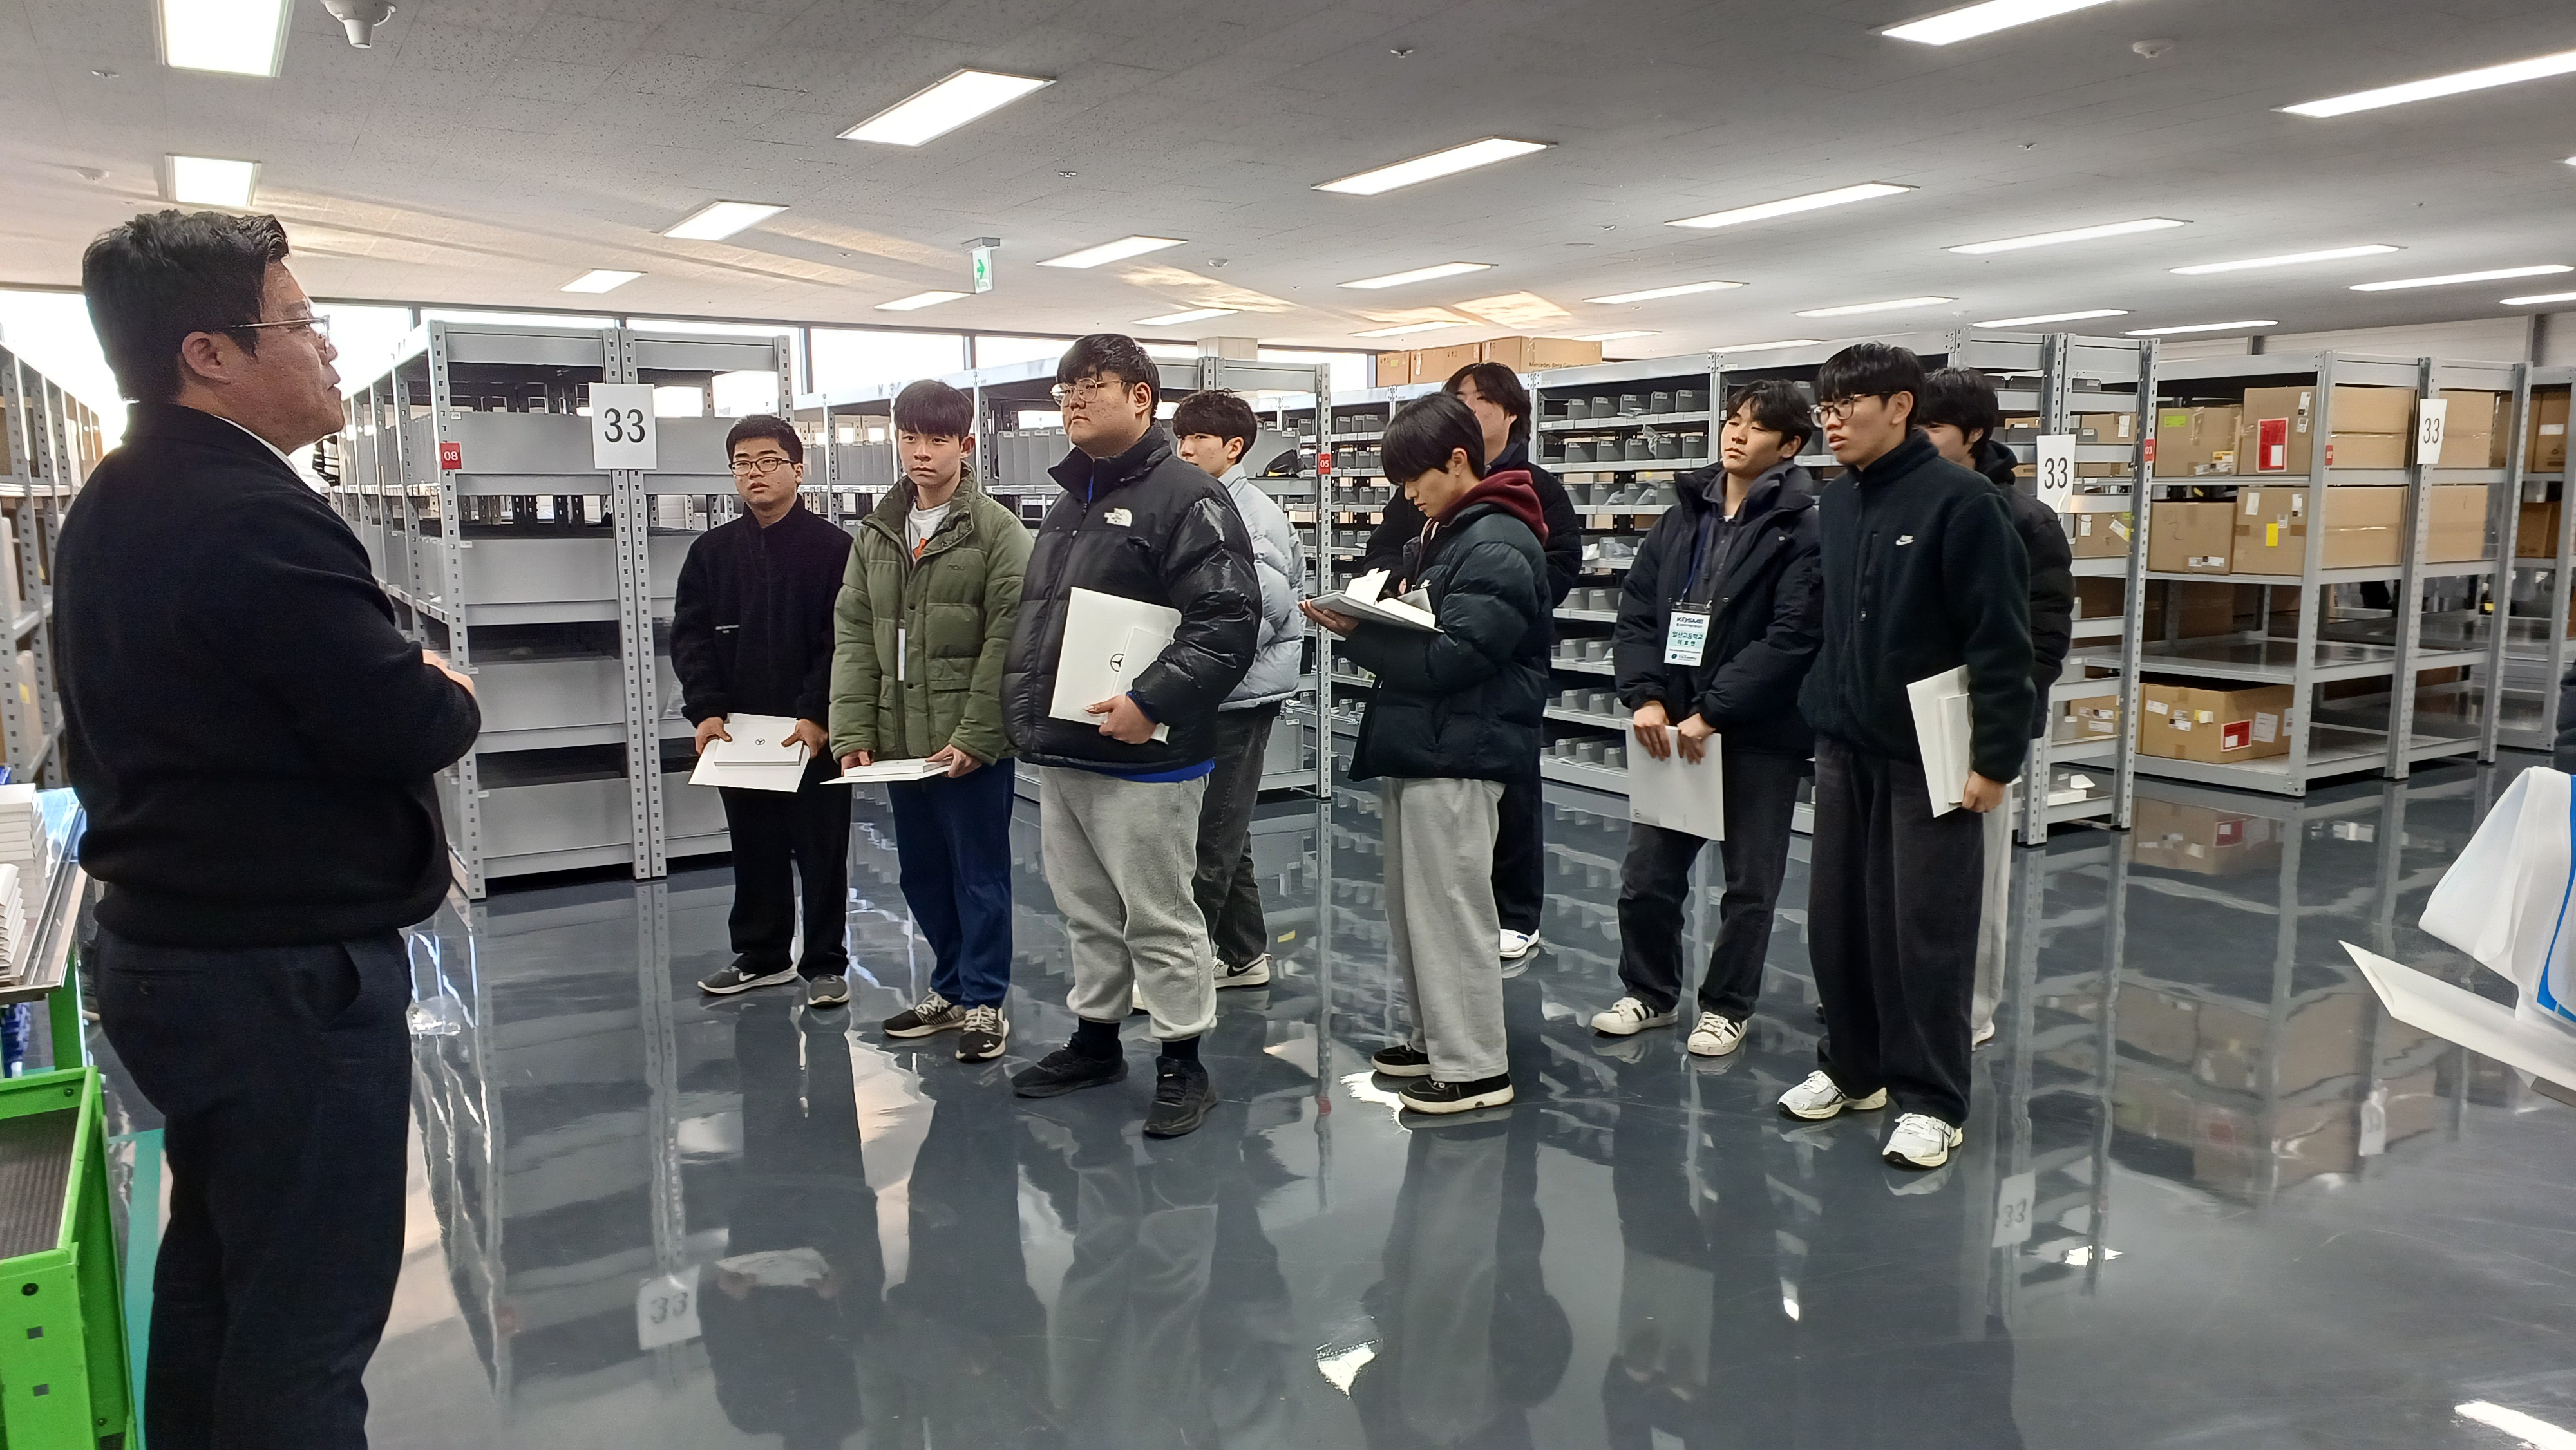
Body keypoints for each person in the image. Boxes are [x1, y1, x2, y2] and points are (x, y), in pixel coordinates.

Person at [62, 209, 482, 1448]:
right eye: (299, 323)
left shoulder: (124, 494)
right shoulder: (246, 511)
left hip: (181, 957)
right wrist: (442, 681)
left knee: (219, 1281)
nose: (327, 348)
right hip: (281, 981)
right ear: (210, 353)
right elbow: (405, 717)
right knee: (307, 1330)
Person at [1000, 334, 1259, 1138]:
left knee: (1159, 914)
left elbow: (1227, 621)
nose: (1073, 400)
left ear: (1142, 397)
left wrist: (1150, 700)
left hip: (1147, 756)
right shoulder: (1070, 500)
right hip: (1067, 744)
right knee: (1086, 910)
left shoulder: (1188, 496)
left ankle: (1184, 1059)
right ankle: (1096, 1040)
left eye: (1092, 385)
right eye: (1065, 388)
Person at [1783, 342, 2032, 1171]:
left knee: (1925, 930)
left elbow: (2001, 641)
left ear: (1899, 407)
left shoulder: (1964, 504)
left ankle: (1932, 1099)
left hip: (1930, 753)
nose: (1831, 422)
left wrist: (1994, 759)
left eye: (1845, 406)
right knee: (1839, 923)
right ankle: (1852, 1069)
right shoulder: (1837, 502)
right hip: (1844, 745)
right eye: (1823, 408)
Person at [1305, 393, 1548, 1114]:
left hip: (1463, 749)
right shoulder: (1451, 532)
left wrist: (1361, 634)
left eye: (1416, 478)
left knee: (1451, 910)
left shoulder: (1498, 541)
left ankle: (1475, 1067)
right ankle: (1435, 1038)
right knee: (1416, 908)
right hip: (1427, 741)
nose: (1408, 494)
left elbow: (1456, 656)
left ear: (1458, 460)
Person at [1589, 381, 1822, 1057]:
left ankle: (1726, 1006)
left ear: (1790, 444)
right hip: (1672, 724)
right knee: (1647, 877)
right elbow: (1637, 612)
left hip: (1757, 735)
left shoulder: (1804, 527)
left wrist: (1715, 711)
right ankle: (1649, 992)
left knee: (1748, 885)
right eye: (1733, 420)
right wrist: (1646, 696)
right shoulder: (1681, 516)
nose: (1737, 434)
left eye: (1757, 426)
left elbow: (1793, 636)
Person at [831, 379, 1031, 1060]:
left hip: (967, 745)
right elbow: (855, 636)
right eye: (909, 437)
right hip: (900, 743)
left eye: (937, 439)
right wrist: (854, 730)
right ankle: (949, 987)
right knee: (921, 873)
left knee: (979, 874)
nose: (921, 452)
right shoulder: (877, 533)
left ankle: (985, 1000)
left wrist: (977, 734)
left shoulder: (997, 532)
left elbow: (1009, 642)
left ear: (965, 444)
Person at [1360, 361, 1579, 963]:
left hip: (1485, 684)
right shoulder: (1428, 486)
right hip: (1436, 700)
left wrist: (1493, 604)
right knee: (1434, 901)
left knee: (1505, 814)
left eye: (1479, 398)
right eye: (1458, 397)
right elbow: (1387, 550)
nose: (1410, 495)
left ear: (1511, 412)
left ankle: (1518, 916)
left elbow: (1556, 564)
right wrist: (1400, 588)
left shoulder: (1525, 498)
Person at [1917, 367, 2076, 1051]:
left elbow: (2042, 640)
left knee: (1975, 878)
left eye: (1932, 427)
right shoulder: (1901, 504)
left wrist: (1996, 738)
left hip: (1974, 721)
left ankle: (1969, 1010)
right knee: (1893, 874)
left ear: (1975, 433)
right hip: (1901, 719)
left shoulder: (2024, 521)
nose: (1917, 439)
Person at [674, 415, 857, 1005]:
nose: (756, 473)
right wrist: (706, 710)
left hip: (813, 730)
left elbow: (843, 641)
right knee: (753, 843)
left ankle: (825, 961)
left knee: (822, 847)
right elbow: (691, 638)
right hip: (741, 730)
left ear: (798, 469)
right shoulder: (712, 552)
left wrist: (818, 714)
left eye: (769, 461)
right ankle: (763, 954)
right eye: (743, 463)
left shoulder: (834, 549)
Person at [1172, 388, 1305, 991]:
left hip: (1239, 692)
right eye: (1181, 437)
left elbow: (1262, 615)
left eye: (1199, 438)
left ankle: (1184, 970)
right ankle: (1246, 955)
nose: (1186, 449)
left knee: (1210, 837)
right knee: (1228, 826)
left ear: (1234, 447)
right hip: (1214, 688)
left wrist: (1196, 666)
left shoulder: (1250, 515)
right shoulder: (1208, 503)